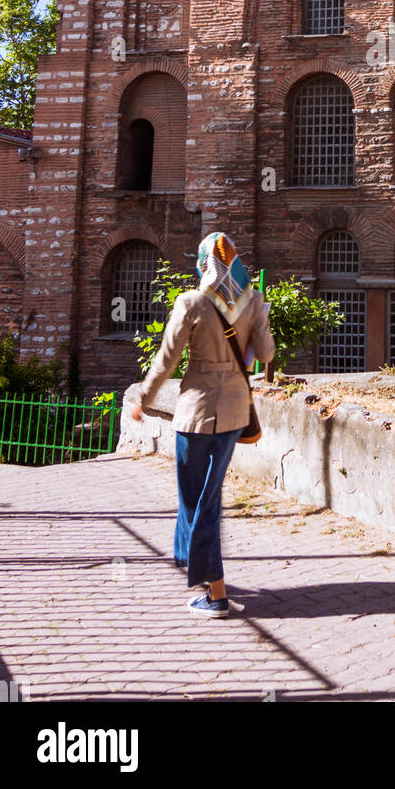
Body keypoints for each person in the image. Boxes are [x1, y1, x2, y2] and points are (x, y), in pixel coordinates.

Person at [130, 232, 275, 617]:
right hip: (233, 413)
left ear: (203, 263)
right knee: (203, 497)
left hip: (195, 414)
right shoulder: (253, 300)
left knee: (199, 501)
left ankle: (215, 592)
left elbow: (166, 360)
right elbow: (266, 353)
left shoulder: (190, 302)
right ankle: (192, 564)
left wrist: (143, 398)